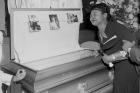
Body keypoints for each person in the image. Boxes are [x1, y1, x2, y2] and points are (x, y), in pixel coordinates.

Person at [90, 3, 139, 93]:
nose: (92, 17)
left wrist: (111, 58)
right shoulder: (99, 32)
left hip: (127, 70)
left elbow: (131, 50)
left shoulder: (116, 27)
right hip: (117, 69)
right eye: (91, 14)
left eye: (95, 14)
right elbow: (111, 45)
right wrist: (99, 51)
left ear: (104, 15)